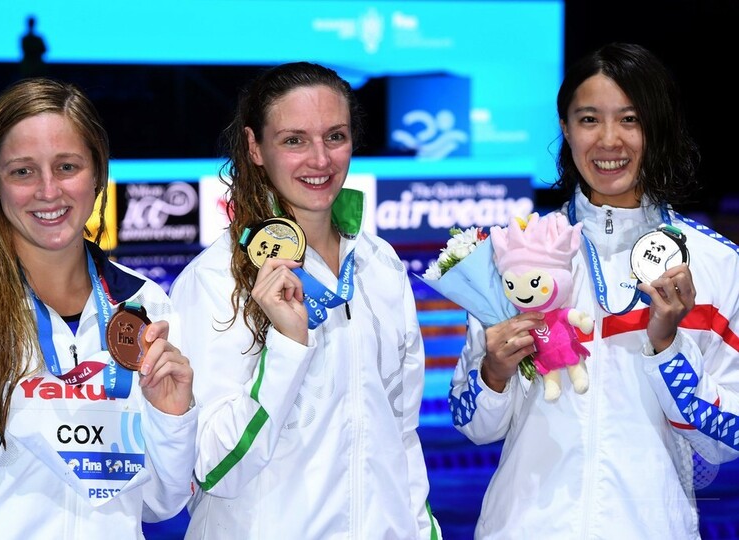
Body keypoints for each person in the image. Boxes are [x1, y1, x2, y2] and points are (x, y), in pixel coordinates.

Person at [449, 42, 739, 539]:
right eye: (589, 120)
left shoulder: (715, 263)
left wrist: (668, 347)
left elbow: (726, 440)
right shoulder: (516, 252)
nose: (608, 140)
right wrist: (494, 370)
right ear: (565, 128)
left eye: (630, 120)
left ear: (658, 127)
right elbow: (473, 424)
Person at [170, 61, 441, 539]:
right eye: (294, 140)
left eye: (335, 137)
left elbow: (401, 436)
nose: (320, 160)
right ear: (255, 147)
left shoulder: (380, 263)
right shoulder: (215, 279)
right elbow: (211, 468)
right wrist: (287, 348)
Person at [0, 78, 198, 538]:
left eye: (67, 166)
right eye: (23, 172)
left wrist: (173, 416)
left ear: (97, 174)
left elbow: (159, 503)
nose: (49, 190)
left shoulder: (145, 305)